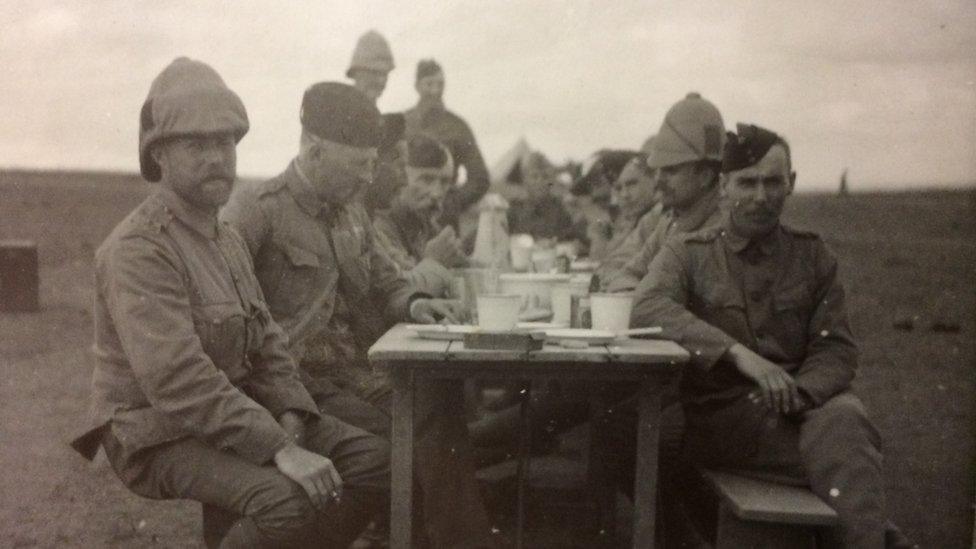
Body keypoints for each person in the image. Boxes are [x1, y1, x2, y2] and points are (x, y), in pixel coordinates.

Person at [69, 58, 389, 548]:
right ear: (160, 157)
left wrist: (290, 412)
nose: (217, 157)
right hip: (156, 430)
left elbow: (268, 343)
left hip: (235, 412)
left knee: (376, 462)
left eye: (224, 142)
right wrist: (278, 446)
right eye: (196, 144)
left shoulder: (225, 238)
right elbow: (178, 380)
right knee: (287, 500)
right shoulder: (139, 249)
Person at [221, 82, 497, 549]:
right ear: (314, 151)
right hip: (297, 385)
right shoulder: (256, 211)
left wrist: (415, 302)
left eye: (374, 163)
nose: (371, 178)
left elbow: (386, 280)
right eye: (360, 164)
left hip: (357, 372)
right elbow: (226, 314)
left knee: (439, 403)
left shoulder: (352, 210)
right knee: (405, 443)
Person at [632, 123, 911, 548]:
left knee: (845, 418)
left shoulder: (813, 256)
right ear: (724, 187)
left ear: (791, 184)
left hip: (804, 410)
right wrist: (739, 355)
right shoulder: (689, 253)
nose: (760, 196)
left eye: (773, 182)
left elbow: (834, 346)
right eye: (747, 182)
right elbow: (646, 306)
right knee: (848, 445)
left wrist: (798, 392)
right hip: (726, 420)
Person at [602, 92, 726, 292]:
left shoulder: (726, 227)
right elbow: (623, 274)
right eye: (658, 170)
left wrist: (644, 296)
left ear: (705, 175)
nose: (659, 180)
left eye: (670, 170)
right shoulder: (669, 223)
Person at [373, 133, 467, 297]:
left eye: (445, 182)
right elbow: (397, 293)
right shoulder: (378, 226)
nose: (437, 193)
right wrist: (434, 262)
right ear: (401, 175)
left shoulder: (426, 224)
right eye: (426, 179)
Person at [404, 59, 490, 231]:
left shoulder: (457, 126)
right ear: (417, 86)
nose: (435, 90)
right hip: (406, 218)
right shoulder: (404, 123)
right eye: (429, 84)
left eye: (440, 84)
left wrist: (452, 202)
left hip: (443, 221)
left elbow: (480, 177)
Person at [592, 152, 664, 280]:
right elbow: (611, 263)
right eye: (619, 188)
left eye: (632, 184)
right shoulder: (643, 219)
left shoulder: (660, 215)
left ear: (655, 180)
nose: (624, 194)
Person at [506, 151, 584, 242]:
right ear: (525, 180)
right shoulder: (514, 210)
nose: (540, 182)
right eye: (534, 176)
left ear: (550, 182)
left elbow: (570, 240)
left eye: (545, 176)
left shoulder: (560, 209)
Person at [347, 30, 395, 104]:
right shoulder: (338, 111)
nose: (381, 81)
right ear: (356, 72)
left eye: (385, 74)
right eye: (374, 72)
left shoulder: (374, 114)